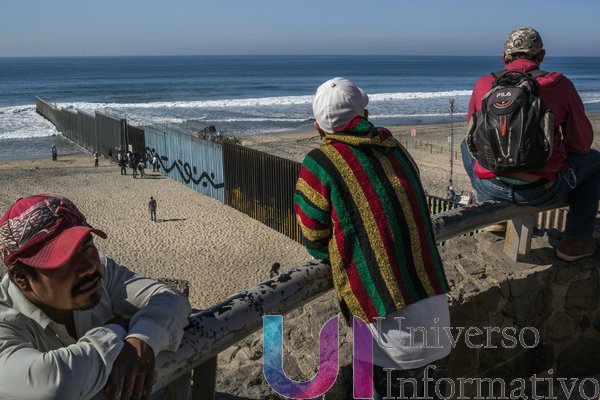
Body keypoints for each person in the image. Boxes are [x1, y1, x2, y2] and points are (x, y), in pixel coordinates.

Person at [294, 78, 451, 399]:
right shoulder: (394, 148)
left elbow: (313, 238)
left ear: (318, 127)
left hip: (388, 333)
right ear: (364, 113)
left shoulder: (320, 163)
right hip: (436, 313)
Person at [0, 194, 191, 399]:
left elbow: (171, 299)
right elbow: (53, 386)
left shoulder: (104, 270)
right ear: (21, 278)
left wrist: (142, 337)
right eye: (64, 260)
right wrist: (116, 328)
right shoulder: (6, 320)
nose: (89, 266)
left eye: (87, 247)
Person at [461, 27, 600, 262]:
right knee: (595, 160)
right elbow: (581, 145)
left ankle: (493, 214)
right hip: (542, 190)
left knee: (466, 146)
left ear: (505, 56)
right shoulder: (559, 85)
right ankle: (576, 241)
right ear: (541, 56)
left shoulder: (484, 84)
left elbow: (474, 138)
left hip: (491, 187)